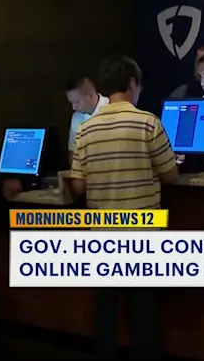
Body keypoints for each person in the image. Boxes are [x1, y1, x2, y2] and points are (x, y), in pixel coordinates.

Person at [69, 54, 179, 360]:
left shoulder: (85, 130)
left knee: (105, 307)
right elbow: (171, 175)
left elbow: (78, 186)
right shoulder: (148, 123)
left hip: (102, 234)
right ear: (133, 84)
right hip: (142, 232)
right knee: (143, 307)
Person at [66, 75, 108, 165]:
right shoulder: (76, 117)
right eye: (71, 103)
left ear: (90, 96)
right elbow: (72, 153)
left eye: (77, 102)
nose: (73, 107)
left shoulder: (111, 107)